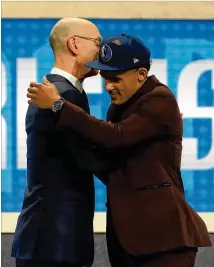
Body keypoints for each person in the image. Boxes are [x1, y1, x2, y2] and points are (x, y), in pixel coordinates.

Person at [27, 34, 212, 267]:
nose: (108, 87)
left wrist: (58, 105)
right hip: (128, 241)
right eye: (105, 78)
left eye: (115, 78)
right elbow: (111, 163)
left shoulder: (160, 100)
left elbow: (115, 136)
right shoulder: (119, 108)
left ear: (141, 75)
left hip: (164, 242)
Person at [12, 17, 106, 267]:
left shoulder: (57, 91)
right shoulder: (63, 96)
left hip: (48, 238)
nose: (102, 50)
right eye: (97, 42)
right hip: (56, 241)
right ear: (74, 44)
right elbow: (90, 156)